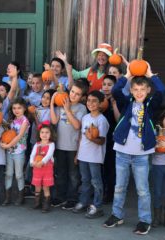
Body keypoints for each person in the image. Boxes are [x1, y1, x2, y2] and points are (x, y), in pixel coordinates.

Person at [103, 64, 165, 235]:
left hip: (141, 155)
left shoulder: (151, 105)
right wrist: (128, 74)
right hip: (122, 152)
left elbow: (162, 91)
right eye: (136, 89)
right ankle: (117, 215)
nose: (139, 92)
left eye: (142, 89)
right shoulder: (126, 103)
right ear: (130, 90)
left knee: (142, 190)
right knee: (119, 186)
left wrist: (151, 74)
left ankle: (145, 220)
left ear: (147, 90)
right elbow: (116, 91)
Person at [50, 80, 88, 209]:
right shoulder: (61, 104)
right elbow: (54, 121)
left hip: (73, 147)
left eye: (77, 94)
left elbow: (77, 126)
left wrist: (67, 110)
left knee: (73, 175)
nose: (73, 95)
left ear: (82, 97)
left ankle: (72, 198)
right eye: (72, 92)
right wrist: (53, 102)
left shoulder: (81, 108)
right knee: (60, 173)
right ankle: (60, 197)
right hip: (60, 145)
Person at [72, 90, 109, 218]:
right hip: (83, 155)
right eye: (89, 100)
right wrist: (77, 154)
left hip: (94, 157)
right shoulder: (85, 117)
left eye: (94, 101)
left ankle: (97, 206)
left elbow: (102, 140)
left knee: (96, 181)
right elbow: (81, 138)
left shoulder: (102, 120)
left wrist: (91, 138)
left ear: (100, 104)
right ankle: (84, 202)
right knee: (85, 180)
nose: (91, 103)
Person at [0, 98, 30, 206]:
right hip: (10, 151)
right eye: (14, 108)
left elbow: (18, 136)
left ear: (24, 108)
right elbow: (8, 133)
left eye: (19, 108)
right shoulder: (12, 121)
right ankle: (8, 197)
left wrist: (7, 145)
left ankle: (20, 196)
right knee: (8, 174)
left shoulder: (25, 121)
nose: (16, 110)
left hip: (19, 152)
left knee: (18, 175)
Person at [100, 75, 119, 203]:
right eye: (104, 84)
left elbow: (119, 120)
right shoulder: (99, 99)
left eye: (109, 84)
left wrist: (113, 103)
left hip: (112, 138)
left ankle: (110, 193)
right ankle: (100, 191)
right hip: (98, 138)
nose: (106, 87)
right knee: (99, 167)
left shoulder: (117, 100)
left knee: (110, 167)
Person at [30, 122, 56, 213]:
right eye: (42, 132)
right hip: (37, 168)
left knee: (46, 187)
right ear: (39, 134)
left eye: (47, 132)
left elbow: (49, 155)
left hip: (47, 169)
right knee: (37, 186)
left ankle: (46, 204)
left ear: (51, 134)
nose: (44, 134)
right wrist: (32, 162)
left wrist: (42, 162)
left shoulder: (51, 144)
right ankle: (37, 202)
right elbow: (32, 154)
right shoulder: (37, 144)